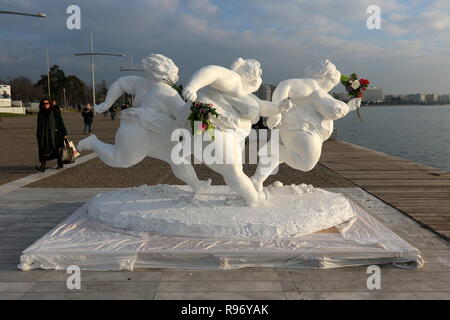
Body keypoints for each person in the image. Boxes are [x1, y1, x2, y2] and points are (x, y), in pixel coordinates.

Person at [77, 53, 211, 194]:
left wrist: (107, 103)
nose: (176, 78)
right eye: (174, 74)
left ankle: (197, 185)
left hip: (150, 132)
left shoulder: (141, 82)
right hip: (139, 131)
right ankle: (93, 143)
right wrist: (200, 113)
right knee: (121, 159)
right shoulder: (167, 92)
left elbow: (119, 83)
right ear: (164, 72)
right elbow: (183, 115)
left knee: (176, 158)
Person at [181, 57, 292, 206]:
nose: (258, 78)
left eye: (259, 74)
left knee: (232, 171)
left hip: (234, 134)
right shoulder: (233, 80)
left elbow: (263, 107)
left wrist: (279, 107)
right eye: (256, 73)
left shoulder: (248, 95)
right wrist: (192, 86)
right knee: (232, 169)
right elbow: (212, 71)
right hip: (214, 128)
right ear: (246, 73)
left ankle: (250, 197)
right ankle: (254, 200)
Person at [251, 60, 361, 191]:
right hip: (300, 129)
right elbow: (285, 85)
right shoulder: (312, 86)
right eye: (331, 83)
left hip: (296, 129)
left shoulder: (313, 90)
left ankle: (256, 180)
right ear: (325, 77)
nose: (330, 88)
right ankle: (274, 149)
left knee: (276, 157)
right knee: (306, 163)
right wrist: (276, 112)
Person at [35, 97, 68, 172]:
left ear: (50, 104)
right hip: (44, 135)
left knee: (58, 150)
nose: (46, 105)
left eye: (47, 103)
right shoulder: (40, 113)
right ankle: (42, 166)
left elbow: (61, 122)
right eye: (44, 104)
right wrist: (38, 135)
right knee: (43, 150)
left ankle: (60, 163)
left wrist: (64, 133)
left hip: (56, 134)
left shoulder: (55, 111)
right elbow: (39, 125)